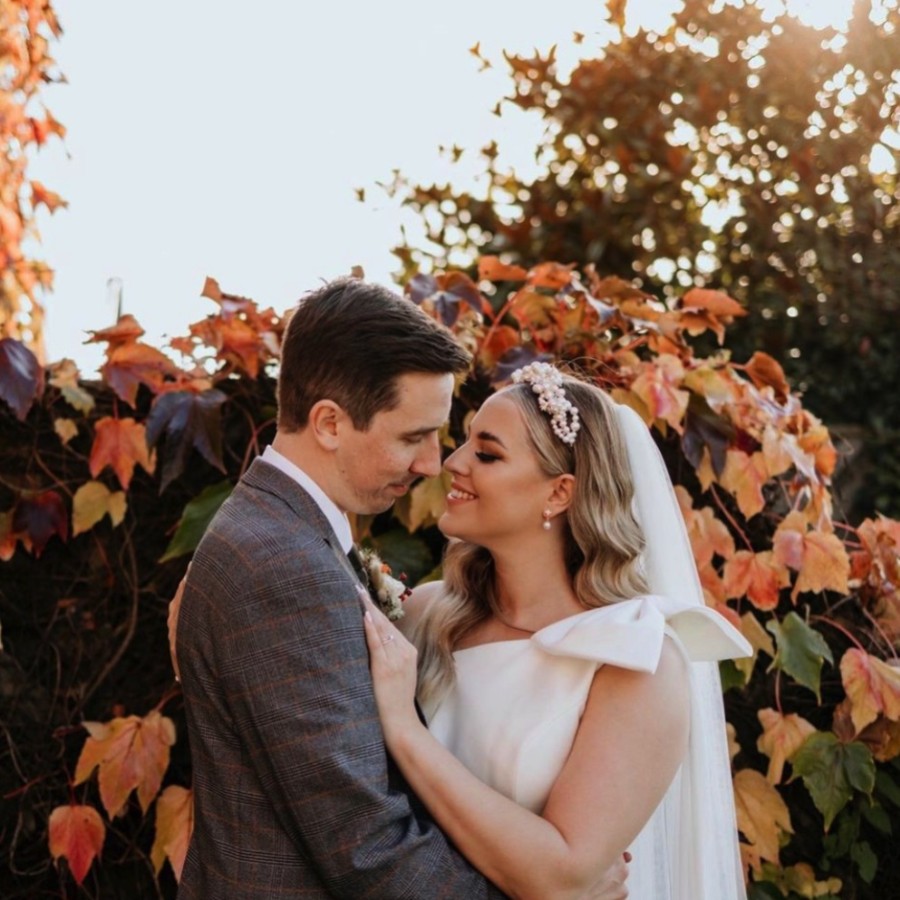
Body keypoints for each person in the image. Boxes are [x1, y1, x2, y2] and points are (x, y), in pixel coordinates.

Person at [171, 280, 629, 899]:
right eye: (414, 437)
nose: (434, 465)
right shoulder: (287, 565)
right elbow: (368, 851)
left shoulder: (287, 535)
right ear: (330, 422)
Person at [360, 363, 752, 900]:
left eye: (487, 453)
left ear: (560, 492)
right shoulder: (426, 616)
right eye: (464, 444)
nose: (452, 463)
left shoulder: (634, 659)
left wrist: (403, 728)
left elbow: (561, 874)